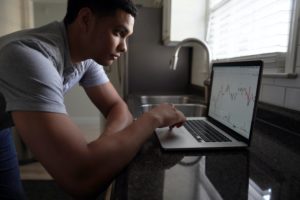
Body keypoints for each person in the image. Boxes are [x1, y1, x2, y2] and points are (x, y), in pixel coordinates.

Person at [0, 0, 186, 199]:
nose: (124, 47)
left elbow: (118, 107)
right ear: (86, 19)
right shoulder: (28, 56)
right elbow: (81, 179)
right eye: (118, 32)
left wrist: (103, 147)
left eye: (127, 36)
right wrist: (153, 118)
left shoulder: (86, 58)